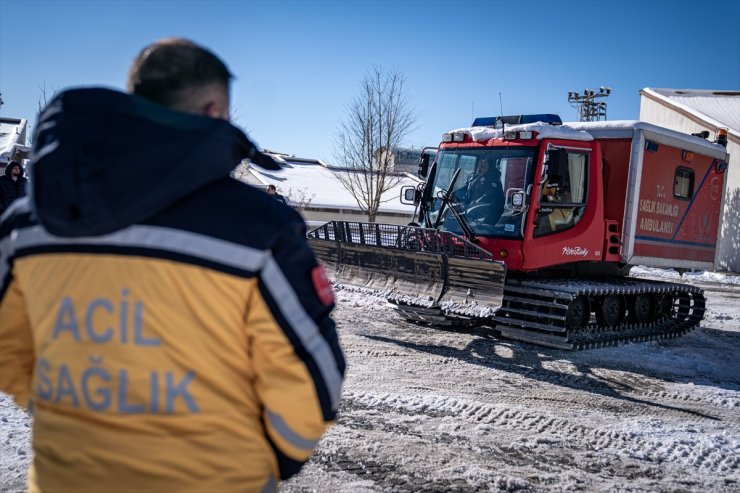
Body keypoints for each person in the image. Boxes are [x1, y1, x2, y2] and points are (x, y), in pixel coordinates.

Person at [0, 38, 345, 493]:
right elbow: (311, 377)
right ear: (214, 112)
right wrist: (271, 459)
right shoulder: (257, 229)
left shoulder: (27, 225)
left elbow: (8, 349)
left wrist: (68, 414)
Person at [462, 158, 504, 223]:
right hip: (471, 209)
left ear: (488, 168)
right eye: (478, 166)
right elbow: (465, 190)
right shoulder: (473, 178)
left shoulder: (492, 180)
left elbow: (488, 196)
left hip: (488, 212)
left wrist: (474, 203)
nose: (479, 168)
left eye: (482, 167)